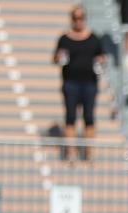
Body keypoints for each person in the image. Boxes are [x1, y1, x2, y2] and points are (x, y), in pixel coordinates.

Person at [54, 5, 105, 161]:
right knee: (70, 117)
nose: (78, 21)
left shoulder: (93, 38)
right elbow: (55, 59)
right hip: (71, 83)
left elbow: (102, 56)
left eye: (81, 18)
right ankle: (71, 152)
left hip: (89, 83)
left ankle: (88, 153)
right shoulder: (64, 38)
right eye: (75, 18)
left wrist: (101, 60)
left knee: (89, 117)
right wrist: (59, 56)